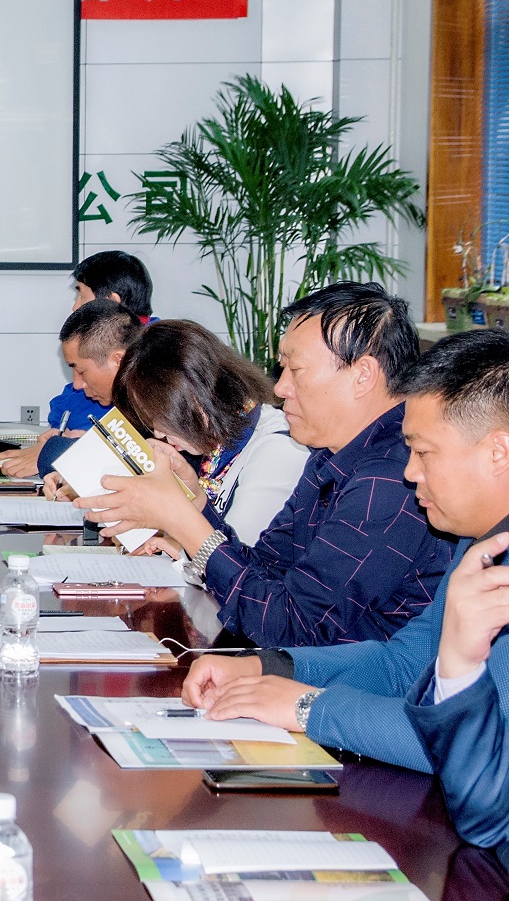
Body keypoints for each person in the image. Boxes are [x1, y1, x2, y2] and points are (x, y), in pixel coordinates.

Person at [181, 330, 509, 832]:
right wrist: (269, 668)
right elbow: (406, 663)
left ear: (498, 451)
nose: (409, 473)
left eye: (424, 452)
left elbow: (471, 759)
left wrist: (308, 706)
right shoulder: (479, 539)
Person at [96, 283, 450, 648]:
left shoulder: (392, 478)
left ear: (363, 375)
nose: (280, 388)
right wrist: (195, 504)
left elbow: (288, 625)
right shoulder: (330, 457)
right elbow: (264, 569)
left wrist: (182, 521)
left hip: (348, 680)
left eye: (296, 369)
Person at [70, 320, 309, 547]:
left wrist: (172, 520)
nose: (158, 433)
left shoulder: (277, 448)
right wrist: (188, 497)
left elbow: (237, 558)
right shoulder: (219, 445)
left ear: (194, 397)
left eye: (160, 417)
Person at [2, 251, 154, 479]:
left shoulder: (157, 359)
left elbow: (138, 455)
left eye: (81, 294)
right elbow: (66, 407)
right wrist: (66, 441)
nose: (75, 307)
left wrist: (65, 449)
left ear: (110, 303)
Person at [23, 300, 142, 480]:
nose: (77, 385)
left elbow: (141, 464)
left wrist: (63, 450)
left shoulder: (158, 405)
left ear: (119, 360)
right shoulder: (130, 404)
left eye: (81, 371)